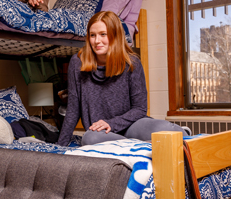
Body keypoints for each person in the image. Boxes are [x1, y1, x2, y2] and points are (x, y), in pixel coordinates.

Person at [57, 11, 188, 146]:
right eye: (92, 35)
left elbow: (140, 109)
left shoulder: (132, 63)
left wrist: (111, 123)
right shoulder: (77, 62)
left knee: (164, 128)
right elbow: (73, 109)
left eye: (103, 34)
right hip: (101, 133)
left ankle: (182, 136)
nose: (97, 41)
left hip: (131, 125)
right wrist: (60, 147)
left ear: (115, 35)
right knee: (89, 139)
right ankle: (143, 145)